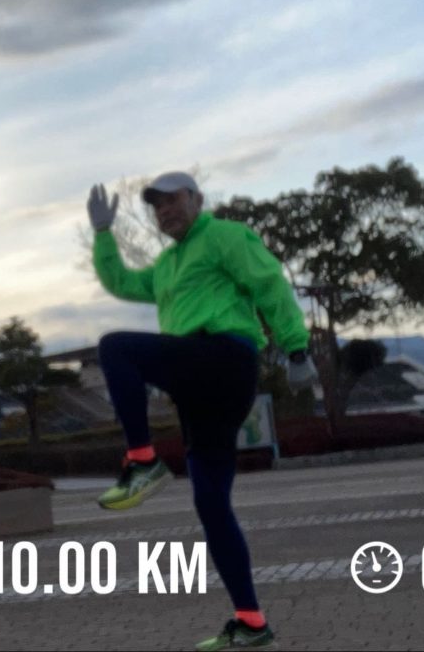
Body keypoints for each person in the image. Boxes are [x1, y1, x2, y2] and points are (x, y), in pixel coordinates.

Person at [87, 172, 317, 651]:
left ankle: (143, 462)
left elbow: (268, 283)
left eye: (173, 200)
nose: (165, 211)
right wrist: (104, 235)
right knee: (211, 503)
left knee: (116, 348)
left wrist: (296, 347)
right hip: (196, 384)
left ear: (197, 199)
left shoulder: (225, 236)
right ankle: (251, 622)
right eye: (157, 206)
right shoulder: (167, 265)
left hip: (223, 357)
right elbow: (122, 282)